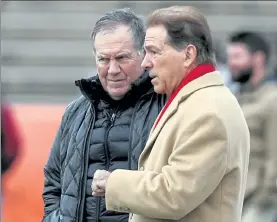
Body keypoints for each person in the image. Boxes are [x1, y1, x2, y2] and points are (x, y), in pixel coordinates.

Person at [92, 6, 250, 222]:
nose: (146, 62)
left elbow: (174, 194)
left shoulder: (208, 111)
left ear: (188, 54)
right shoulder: (194, 102)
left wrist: (113, 183)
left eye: (154, 51)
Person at [42, 8, 166, 222]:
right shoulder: (75, 113)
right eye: (103, 59)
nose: (113, 69)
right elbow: (54, 184)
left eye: (122, 57)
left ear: (144, 54)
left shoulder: (166, 108)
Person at [226, 31, 277, 222]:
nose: (231, 63)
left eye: (237, 56)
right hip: (234, 199)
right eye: (230, 57)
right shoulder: (237, 98)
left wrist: (266, 197)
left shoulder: (272, 100)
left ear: (258, 59)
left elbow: (275, 155)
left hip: (259, 203)